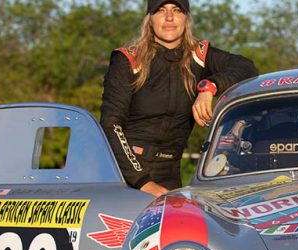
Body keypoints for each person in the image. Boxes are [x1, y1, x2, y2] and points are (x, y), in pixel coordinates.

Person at [101, 0, 258, 196]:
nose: (169, 17)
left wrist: (208, 87)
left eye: (177, 10)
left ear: (186, 17)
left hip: (171, 173)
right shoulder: (128, 60)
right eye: (160, 10)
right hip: (125, 174)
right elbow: (111, 124)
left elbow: (246, 67)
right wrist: (142, 182)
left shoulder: (199, 55)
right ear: (150, 19)